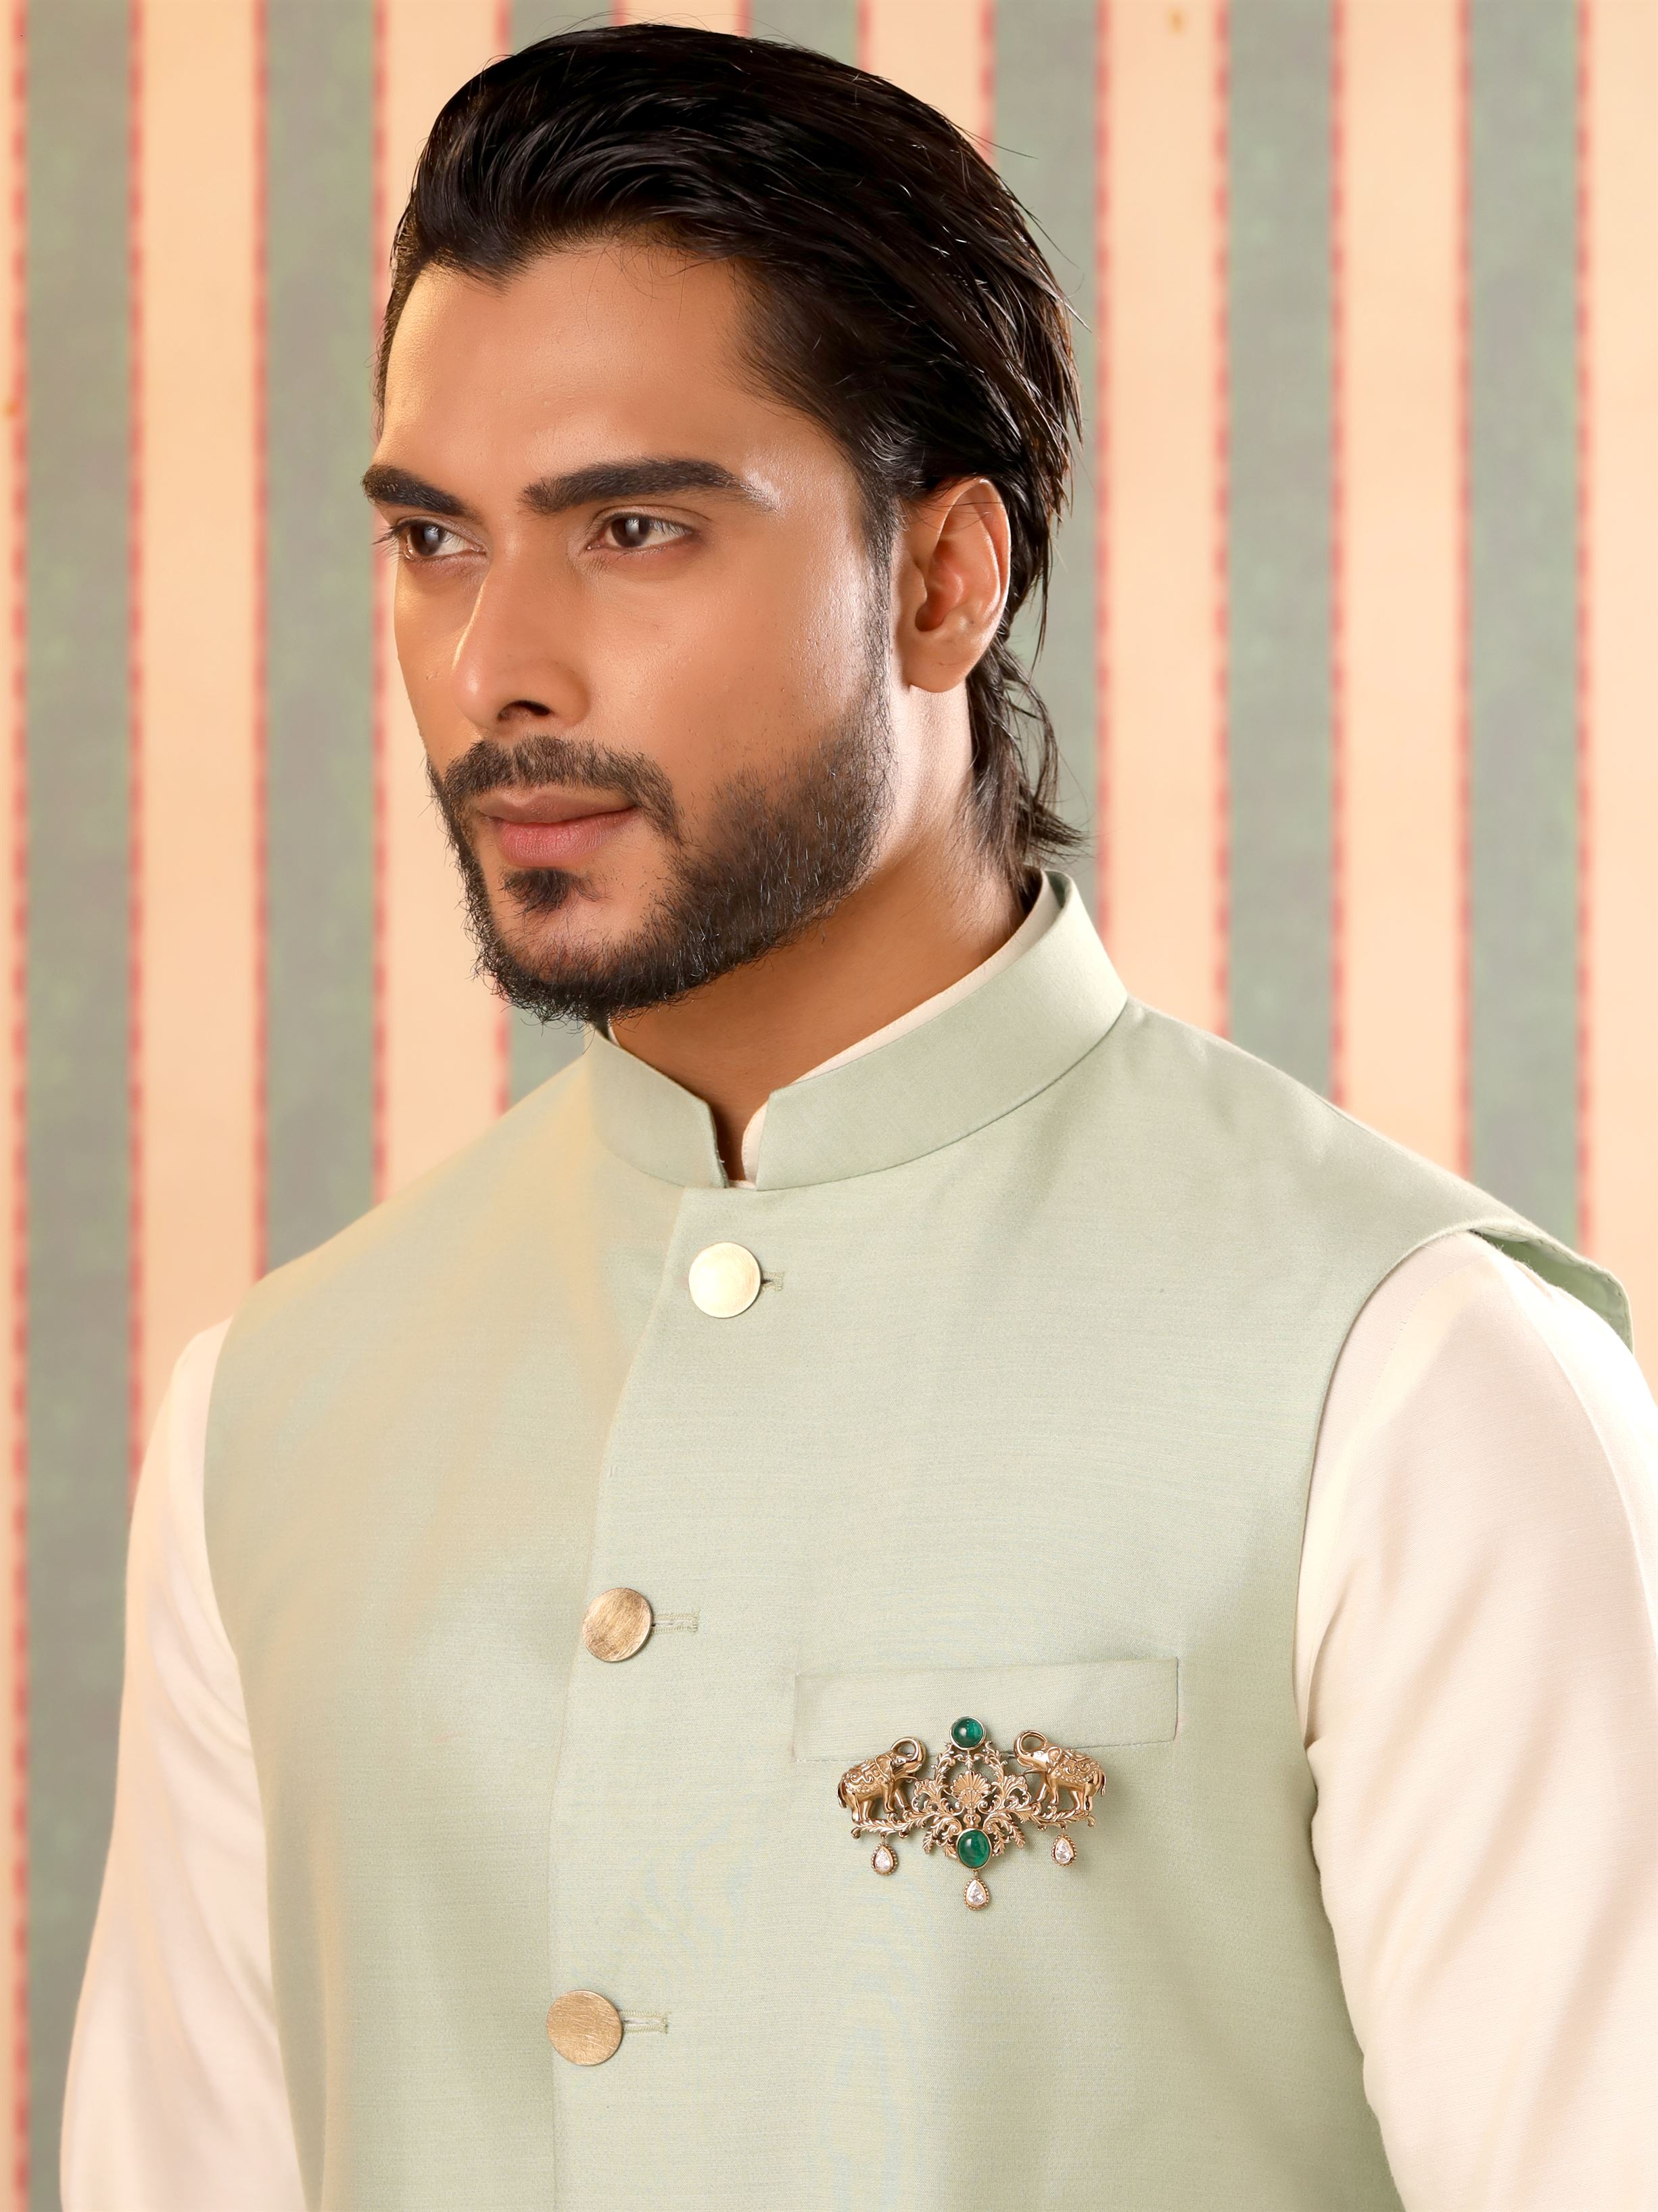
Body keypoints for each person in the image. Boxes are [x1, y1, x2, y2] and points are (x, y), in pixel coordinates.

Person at [62, 24, 1656, 2211]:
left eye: (631, 529)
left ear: (941, 579)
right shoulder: (270, 1416)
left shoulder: (1413, 1374)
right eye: (433, 538)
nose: (494, 664)